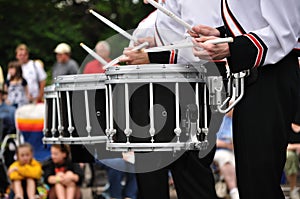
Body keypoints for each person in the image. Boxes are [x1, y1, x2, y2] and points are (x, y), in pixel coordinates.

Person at [190, 1, 300, 198]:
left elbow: (285, 32)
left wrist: (232, 47)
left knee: (260, 183)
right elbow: (255, 21)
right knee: (252, 182)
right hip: (254, 76)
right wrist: (222, 35)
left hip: (272, 75)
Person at [119, 0, 224, 199]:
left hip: (194, 97)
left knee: (192, 176)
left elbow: (204, 51)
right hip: (155, 103)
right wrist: (134, 56)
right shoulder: (148, 22)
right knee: (150, 178)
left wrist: (152, 57)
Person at [214, 108, 239, 199]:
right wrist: (227, 145)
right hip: (221, 150)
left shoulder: (238, 121)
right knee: (226, 159)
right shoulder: (220, 121)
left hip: (235, 151)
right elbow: (213, 142)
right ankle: (234, 192)